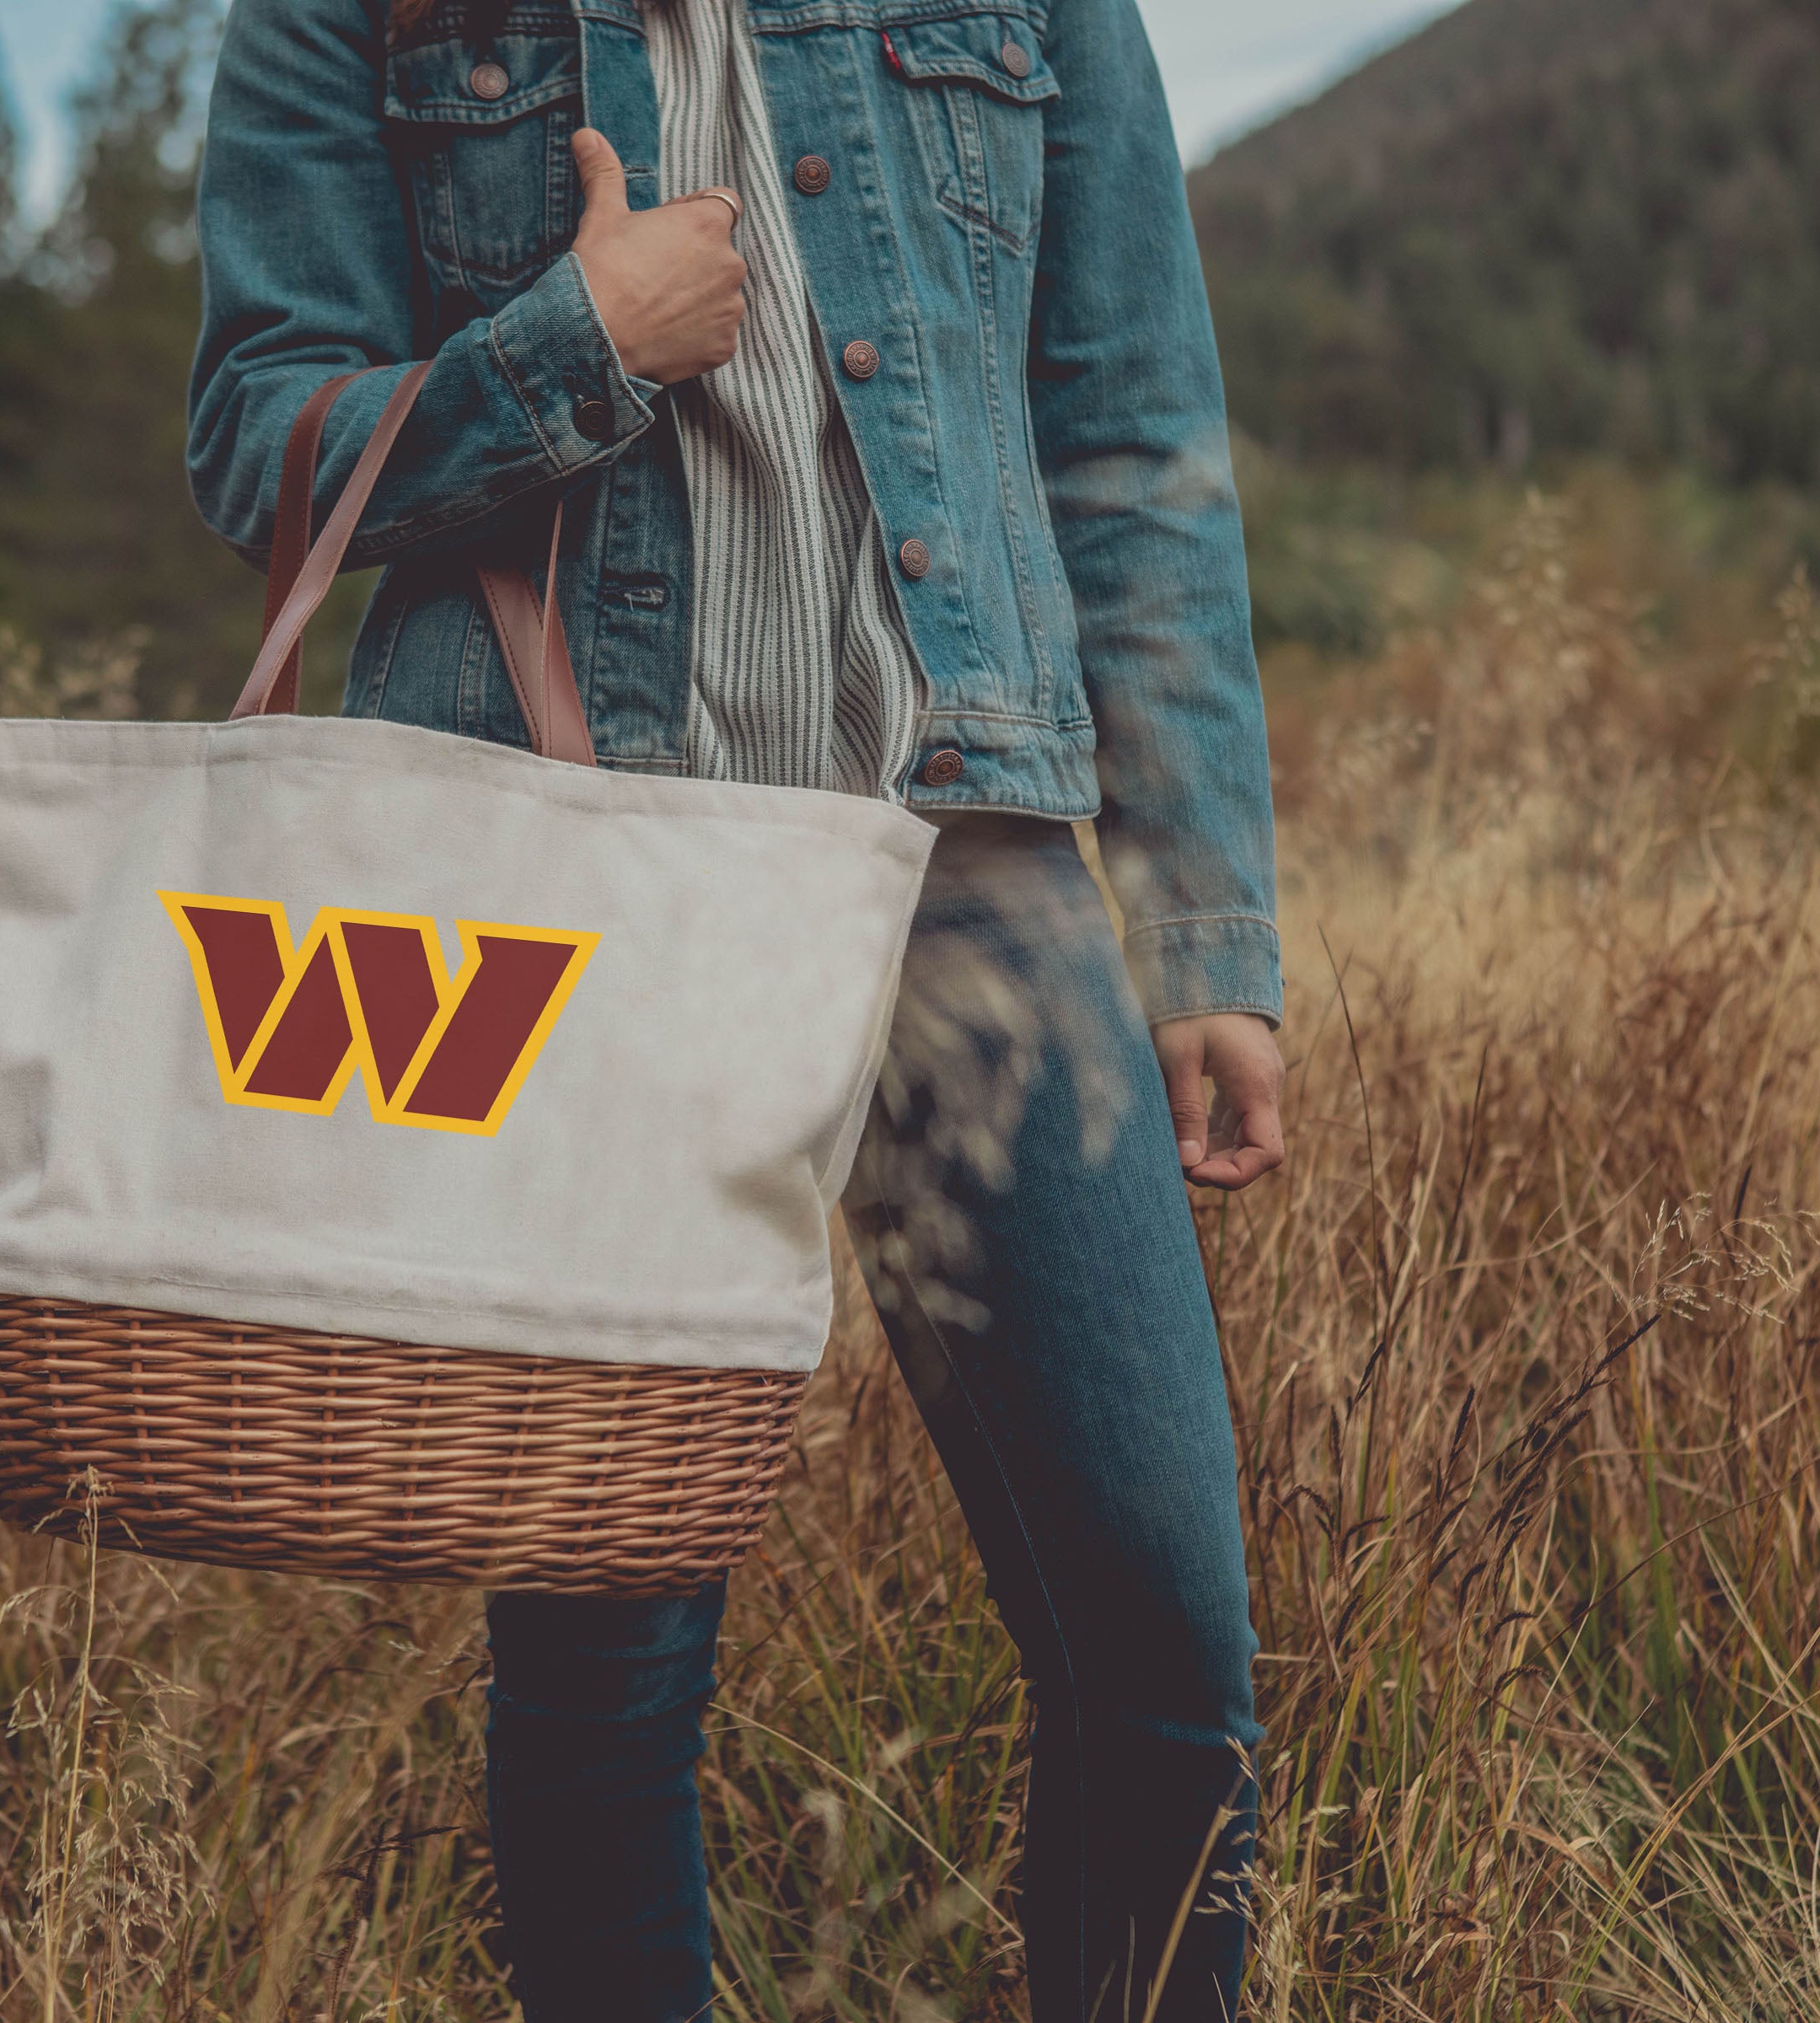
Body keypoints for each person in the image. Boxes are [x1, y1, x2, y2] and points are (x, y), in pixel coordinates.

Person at [189, 0, 1286, 2013]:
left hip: (974, 872)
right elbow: (258, 435)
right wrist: (568, 349)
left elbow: (1129, 437)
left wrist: (1206, 921)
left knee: (1164, 1653)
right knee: (608, 1681)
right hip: (581, 895)